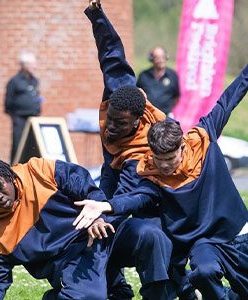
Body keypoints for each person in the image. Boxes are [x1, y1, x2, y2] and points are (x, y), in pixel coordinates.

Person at [92, 65, 248, 299]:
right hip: (203, 242)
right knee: (203, 273)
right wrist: (106, 207)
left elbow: (230, 98)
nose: (164, 165)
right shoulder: (150, 172)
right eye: (159, 159)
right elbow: (135, 198)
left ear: (182, 147)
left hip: (235, 232)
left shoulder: (202, 139)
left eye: (170, 159)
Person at [86, 1, 181, 299]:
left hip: (154, 195)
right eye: (110, 119)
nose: (110, 127)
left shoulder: (143, 149)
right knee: (92, 218)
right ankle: (116, 288)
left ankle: (165, 288)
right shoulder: (121, 96)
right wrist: (97, 15)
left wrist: (103, 214)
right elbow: (112, 55)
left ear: (137, 122)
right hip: (113, 167)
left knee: (139, 231)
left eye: (119, 124)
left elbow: (127, 197)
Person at [0, 156, 117, 299]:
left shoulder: (40, 170)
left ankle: (118, 289)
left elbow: (85, 187)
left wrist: (98, 217)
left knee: (139, 233)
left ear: (8, 176)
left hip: (92, 239)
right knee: (91, 297)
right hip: (64, 264)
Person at [4, 52, 42, 164]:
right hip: (20, 118)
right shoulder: (14, 81)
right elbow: (8, 103)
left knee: (34, 145)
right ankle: (14, 168)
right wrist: (14, 116)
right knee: (18, 144)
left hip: (34, 118)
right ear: (24, 65)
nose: (34, 67)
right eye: (32, 64)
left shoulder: (34, 80)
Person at [137, 46, 180, 116]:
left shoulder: (172, 75)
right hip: (148, 114)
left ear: (166, 57)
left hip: (166, 115)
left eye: (162, 57)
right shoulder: (143, 76)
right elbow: (138, 93)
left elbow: (177, 97)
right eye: (157, 57)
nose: (160, 60)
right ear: (151, 59)